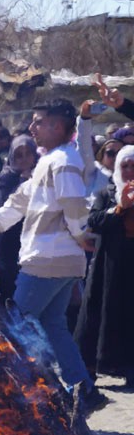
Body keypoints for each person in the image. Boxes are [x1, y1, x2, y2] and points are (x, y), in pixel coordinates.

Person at [0, 100, 103, 409]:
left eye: (38, 122)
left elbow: (75, 204)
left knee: (16, 325)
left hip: (47, 260)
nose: (32, 127)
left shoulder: (63, 161)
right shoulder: (49, 161)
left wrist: (81, 234)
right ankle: (84, 390)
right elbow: (15, 205)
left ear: (56, 126)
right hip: (58, 261)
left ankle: (26, 397)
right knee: (53, 325)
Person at [74, 145, 134, 390]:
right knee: (98, 314)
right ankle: (89, 370)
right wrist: (120, 208)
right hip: (108, 267)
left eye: (133, 166)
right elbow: (95, 221)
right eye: (125, 166)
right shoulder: (107, 193)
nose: (129, 170)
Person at [0, 135, 37, 304]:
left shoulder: (43, 174)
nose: (24, 159)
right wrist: (24, 181)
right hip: (9, 246)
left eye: (28, 153)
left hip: (33, 246)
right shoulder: (6, 178)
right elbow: (7, 206)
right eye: (19, 154)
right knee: (7, 296)